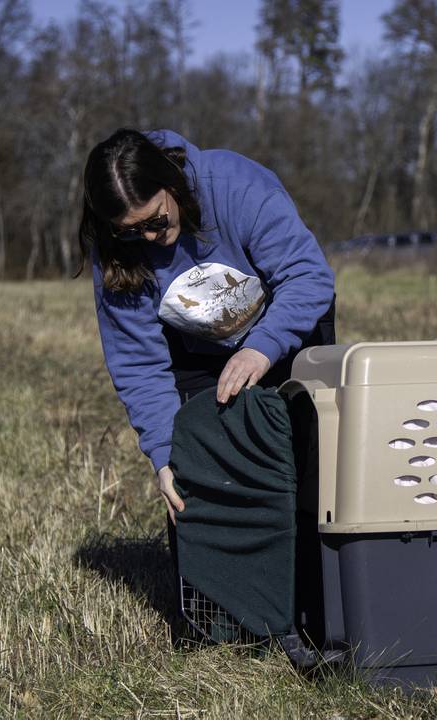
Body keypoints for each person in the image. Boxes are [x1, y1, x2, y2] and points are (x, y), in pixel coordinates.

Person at [76, 128, 336, 524]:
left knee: (307, 463)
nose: (149, 237)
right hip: (197, 346)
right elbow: (138, 363)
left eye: (156, 220)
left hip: (288, 322)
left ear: (171, 183)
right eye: (131, 230)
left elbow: (308, 277)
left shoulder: (235, 186)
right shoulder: (118, 252)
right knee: (205, 468)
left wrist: (261, 348)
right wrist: (165, 456)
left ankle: (313, 569)